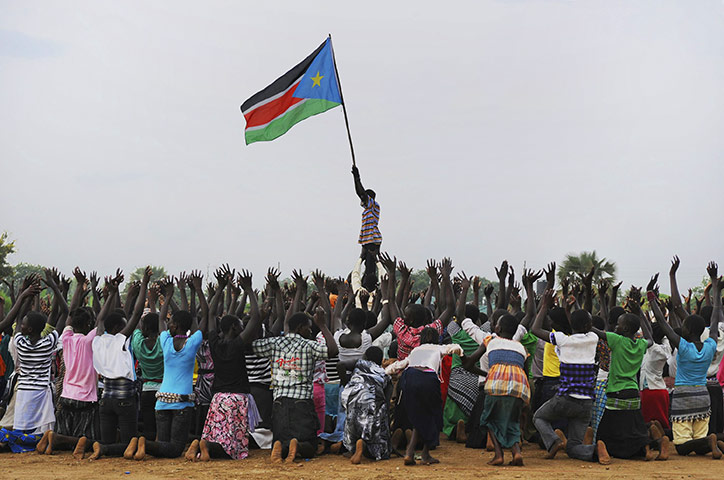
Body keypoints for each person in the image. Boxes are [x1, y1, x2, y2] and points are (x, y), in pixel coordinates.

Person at [647, 262, 722, 458]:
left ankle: (709, 441)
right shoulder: (710, 345)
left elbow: (663, 323)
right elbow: (714, 318)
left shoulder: (684, 346)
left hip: (683, 395)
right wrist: (714, 283)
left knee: (681, 446)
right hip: (703, 395)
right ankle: (713, 441)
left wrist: (650, 297)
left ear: (687, 331)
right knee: (698, 442)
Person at [187, 270, 262, 461]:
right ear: (234, 328)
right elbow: (255, 317)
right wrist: (249, 289)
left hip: (218, 398)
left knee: (218, 437)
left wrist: (220, 288)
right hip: (237, 399)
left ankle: (203, 444)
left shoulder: (214, 342)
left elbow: (210, 313)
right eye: (240, 326)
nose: (243, 329)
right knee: (234, 448)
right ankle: (207, 447)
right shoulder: (237, 345)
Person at [531, 289, 611, 464]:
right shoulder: (593, 338)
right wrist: (569, 310)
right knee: (573, 446)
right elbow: (580, 326)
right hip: (586, 403)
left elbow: (535, 329)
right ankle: (595, 450)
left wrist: (544, 305)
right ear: (589, 326)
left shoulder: (562, 340)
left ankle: (553, 441)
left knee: (539, 417)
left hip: (565, 399)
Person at [252, 307, 338, 462]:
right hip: (302, 402)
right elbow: (333, 350)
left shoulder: (274, 343)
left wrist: (259, 320)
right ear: (300, 328)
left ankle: (279, 446)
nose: (311, 332)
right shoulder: (308, 345)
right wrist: (323, 325)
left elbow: (251, 345)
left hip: (279, 402)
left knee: (281, 437)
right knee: (310, 445)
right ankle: (297, 446)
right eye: (309, 328)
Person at [88, 268, 147, 460]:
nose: (126, 326)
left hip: (106, 398)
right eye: (123, 325)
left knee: (108, 440)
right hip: (125, 398)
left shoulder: (98, 340)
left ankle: (100, 447)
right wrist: (144, 283)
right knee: (129, 443)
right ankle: (103, 449)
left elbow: (100, 318)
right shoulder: (120, 340)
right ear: (117, 328)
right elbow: (136, 314)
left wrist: (112, 294)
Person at [592, 307, 666, 460]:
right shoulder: (640, 344)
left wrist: (587, 324)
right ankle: (646, 447)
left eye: (618, 324)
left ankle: (603, 448)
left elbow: (599, 332)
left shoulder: (617, 340)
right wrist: (640, 314)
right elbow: (650, 339)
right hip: (633, 392)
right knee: (634, 427)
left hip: (616, 391)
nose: (616, 327)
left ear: (624, 328)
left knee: (606, 430)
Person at [386, 328, 463, 465]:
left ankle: (410, 452)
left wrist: (385, 372)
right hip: (428, 378)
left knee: (418, 417)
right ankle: (425, 453)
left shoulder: (416, 350)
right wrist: (461, 353)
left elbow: (401, 364)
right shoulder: (438, 348)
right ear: (437, 339)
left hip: (409, 377)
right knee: (433, 416)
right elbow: (454, 347)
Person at [463, 314, 529, 466]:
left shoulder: (490, 340)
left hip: (496, 384)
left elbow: (469, 363)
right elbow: (523, 369)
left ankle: (498, 455)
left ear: (497, 328)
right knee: (512, 421)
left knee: (488, 420)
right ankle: (516, 452)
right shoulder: (521, 347)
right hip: (519, 386)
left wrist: (485, 373)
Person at [337, 346, 392, 463]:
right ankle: (365, 446)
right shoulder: (384, 374)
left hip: (351, 397)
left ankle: (348, 447)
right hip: (372, 402)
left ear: (365, 356)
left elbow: (340, 365)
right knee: (378, 443)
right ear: (381, 360)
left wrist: (345, 382)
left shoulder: (359, 363)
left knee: (352, 421)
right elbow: (386, 404)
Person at [351, 165, 382, 292]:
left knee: (370, 266)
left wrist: (356, 177)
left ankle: (370, 289)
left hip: (372, 239)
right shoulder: (366, 210)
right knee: (367, 264)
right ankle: (366, 285)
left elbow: (360, 192)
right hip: (367, 240)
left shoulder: (372, 205)